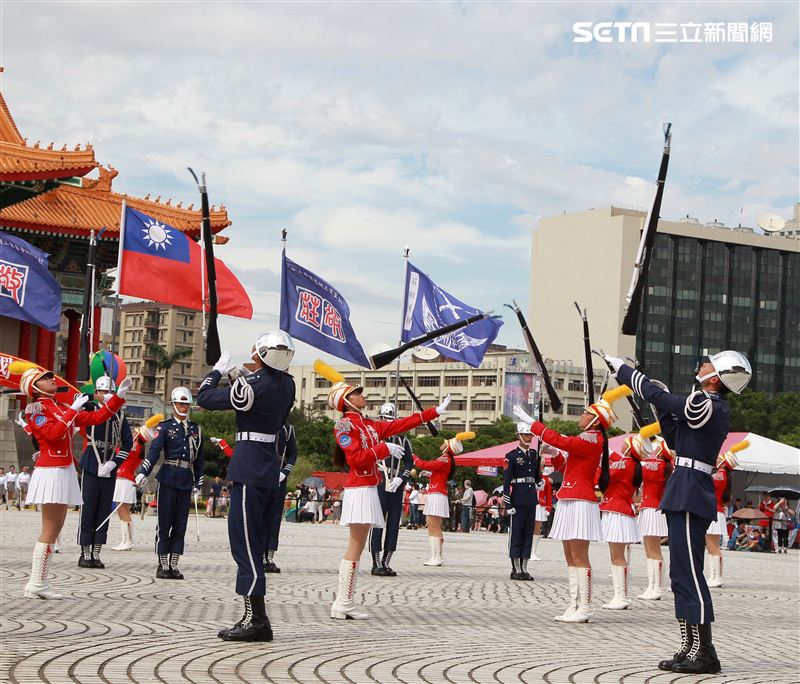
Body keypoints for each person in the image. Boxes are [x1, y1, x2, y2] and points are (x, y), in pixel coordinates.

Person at [608, 350, 751, 674]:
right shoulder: (703, 405)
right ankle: (690, 646)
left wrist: (630, 377)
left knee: (691, 575)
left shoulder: (710, 403)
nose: (701, 365)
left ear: (715, 378)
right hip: (683, 487)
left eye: (708, 364)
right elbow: (675, 435)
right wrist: (657, 401)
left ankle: (706, 652)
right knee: (680, 576)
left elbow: (670, 401)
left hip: (691, 490)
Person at [315, 359, 446, 619]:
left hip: (368, 487)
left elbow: (399, 425)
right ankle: (342, 603)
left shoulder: (367, 424)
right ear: (346, 399)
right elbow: (355, 459)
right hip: (360, 488)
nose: (362, 395)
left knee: (358, 546)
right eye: (357, 393)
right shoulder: (344, 425)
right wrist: (384, 449)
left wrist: (433, 412)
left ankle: (344, 602)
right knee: (355, 546)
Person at [197, 332, 295, 642]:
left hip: (249, 467)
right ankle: (256, 616)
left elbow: (205, 397)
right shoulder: (288, 384)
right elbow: (258, 390)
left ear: (260, 355)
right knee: (254, 543)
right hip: (268, 467)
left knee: (246, 546)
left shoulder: (253, 385)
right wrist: (242, 374)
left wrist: (218, 371)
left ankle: (256, 619)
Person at [515, 385, 630, 623]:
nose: (582, 415)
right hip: (570, 497)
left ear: (596, 421)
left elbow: (561, 440)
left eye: (587, 413)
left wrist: (534, 425)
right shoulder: (587, 438)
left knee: (579, 557)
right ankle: (573, 605)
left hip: (580, 500)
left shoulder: (591, 437)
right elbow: (567, 468)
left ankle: (585, 607)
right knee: (569, 556)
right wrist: (554, 453)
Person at [13, 362, 129, 599]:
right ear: (34, 386)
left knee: (57, 527)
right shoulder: (34, 409)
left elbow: (96, 417)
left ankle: (39, 582)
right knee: (50, 528)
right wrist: (71, 411)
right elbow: (53, 435)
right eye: (46, 378)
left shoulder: (60, 406)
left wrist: (117, 398)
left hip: (63, 468)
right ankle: (36, 582)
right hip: (51, 469)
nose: (52, 379)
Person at [136, 386, 205, 581]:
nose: (184, 407)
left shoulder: (196, 429)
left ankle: (175, 564)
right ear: (173, 404)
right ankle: (163, 563)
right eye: (180, 403)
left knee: (180, 525)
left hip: (185, 479)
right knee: (164, 523)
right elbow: (154, 452)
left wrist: (198, 483)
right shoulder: (164, 427)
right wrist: (143, 472)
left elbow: (199, 459)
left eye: (186, 403)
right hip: (168, 477)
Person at [78, 375, 133, 569]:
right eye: (102, 392)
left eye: (109, 392)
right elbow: (80, 398)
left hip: (109, 466)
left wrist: (114, 463)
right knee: (88, 510)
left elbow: (128, 443)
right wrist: (98, 399)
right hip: (92, 464)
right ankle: (85, 551)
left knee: (103, 512)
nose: (105, 395)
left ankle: (96, 551)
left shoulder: (120, 415)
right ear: (97, 392)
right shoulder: (90, 408)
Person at [599, 430, 648, 610]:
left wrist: (598, 464)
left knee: (617, 557)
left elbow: (603, 478)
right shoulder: (631, 465)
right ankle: (621, 595)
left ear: (628, 449)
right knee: (619, 556)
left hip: (616, 510)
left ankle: (621, 596)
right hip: (623, 510)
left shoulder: (624, 464)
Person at [370, 402, 414, 577]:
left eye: (391, 419)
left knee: (394, 523)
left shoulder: (403, 441)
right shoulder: (376, 439)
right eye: (385, 419)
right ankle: (375, 561)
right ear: (380, 418)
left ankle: (387, 561)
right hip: (380, 482)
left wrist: (401, 478)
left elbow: (409, 463)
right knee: (377, 523)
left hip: (396, 483)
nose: (388, 422)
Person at [414, 433, 471, 568]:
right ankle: (435, 556)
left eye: (446, 442)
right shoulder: (446, 459)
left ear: (449, 447)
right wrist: (429, 474)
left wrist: (413, 457)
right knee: (432, 524)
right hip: (437, 492)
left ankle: (437, 556)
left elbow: (426, 464)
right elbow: (438, 472)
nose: (443, 443)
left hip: (437, 493)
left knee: (433, 525)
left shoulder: (445, 458)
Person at [111, 414, 162, 551]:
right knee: (123, 511)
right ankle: (125, 540)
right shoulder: (137, 446)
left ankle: (128, 541)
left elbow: (120, 452)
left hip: (124, 477)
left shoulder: (135, 446)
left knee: (123, 511)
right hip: (124, 477)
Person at [502, 422, 542, 581]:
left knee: (528, 535)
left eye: (530, 435)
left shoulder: (534, 454)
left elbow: (536, 474)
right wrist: (508, 503)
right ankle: (516, 569)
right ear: (519, 436)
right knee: (517, 534)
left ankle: (525, 568)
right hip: (517, 498)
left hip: (531, 498)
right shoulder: (511, 456)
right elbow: (506, 482)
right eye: (526, 434)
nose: (529, 437)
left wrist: (539, 482)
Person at [637, 435, 673, 600]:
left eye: (657, 446)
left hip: (653, 510)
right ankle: (652, 585)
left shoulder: (657, 465)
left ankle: (657, 587)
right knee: (649, 550)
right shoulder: (663, 466)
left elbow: (637, 464)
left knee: (653, 550)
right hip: (650, 508)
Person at [706, 442, 745, 587]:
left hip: (713, 512)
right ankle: (714, 576)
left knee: (712, 547)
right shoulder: (724, 475)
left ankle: (716, 577)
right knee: (713, 546)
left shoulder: (719, 475)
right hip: (716, 512)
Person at [532, 463, 554, 561]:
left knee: (537, 529)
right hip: (529, 503)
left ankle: (533, 552)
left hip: (540, 505)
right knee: (527, 528)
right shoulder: (528, 475)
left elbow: (549, 495)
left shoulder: (546, 479)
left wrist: (548, 508)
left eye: (541, 465)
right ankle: (524, 551)